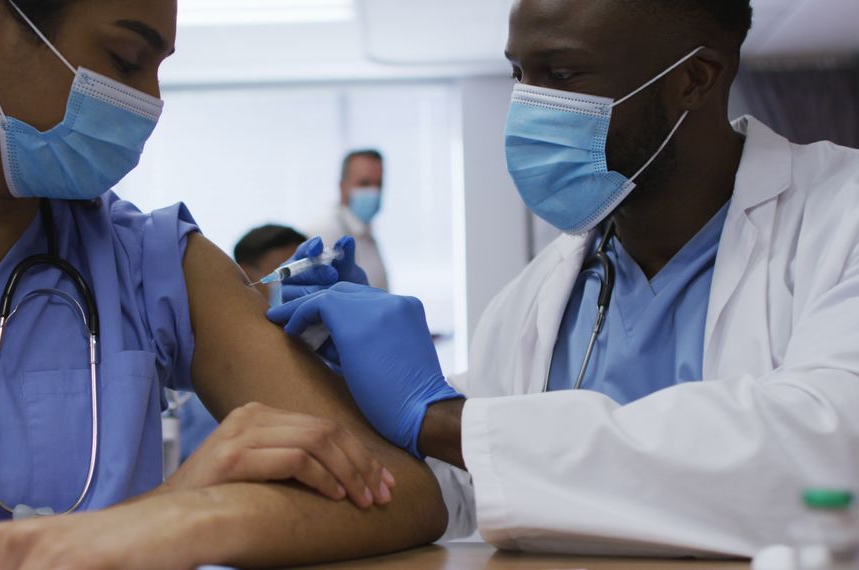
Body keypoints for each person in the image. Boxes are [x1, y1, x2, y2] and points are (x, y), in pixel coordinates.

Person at [0, 1, 449, 568]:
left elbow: (405, 495)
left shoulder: (146, 259)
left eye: (159, 71)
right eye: (127, 60)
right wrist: (160, 509)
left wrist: (200, 518)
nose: (150, 103)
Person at [270, 0, 859, 557]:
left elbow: (827, 456)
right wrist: (351, 385)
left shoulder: (840, 218)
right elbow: (470, 490)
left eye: (564, 74)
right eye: (520, 76)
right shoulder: (536, 296)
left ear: (695, 79)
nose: (529, 108)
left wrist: (444, 419)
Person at [175, 224, 309, 463]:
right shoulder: (210, 361)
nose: (299, 284)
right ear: (245, 276)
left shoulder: (321, 350)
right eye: (286, 273)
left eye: (305, 271)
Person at [310, 149, 390, 291]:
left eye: (379, 184)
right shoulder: (325, 231)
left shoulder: (365, 231)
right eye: (364, 183)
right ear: (343, 186)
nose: (374, 191)